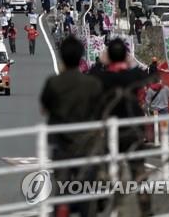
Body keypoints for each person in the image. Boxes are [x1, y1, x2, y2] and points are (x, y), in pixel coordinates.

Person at [41, 37, 103, 217]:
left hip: (61, 142)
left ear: (61, 57)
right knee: (86, 187)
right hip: (87, 143)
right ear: (80, 57)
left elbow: (44, 109)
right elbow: (100, 111)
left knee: (62, 186)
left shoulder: (53, 82)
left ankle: (61, 210)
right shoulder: (92, 84)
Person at [91, 39, 151, 215]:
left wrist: (100, 62)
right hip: (134, 130)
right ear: (125, 56)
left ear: (108, 57)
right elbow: (144, 74)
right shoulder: (134, 76)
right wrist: (130, 61)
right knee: (138, 171)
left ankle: (101, 201)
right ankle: (146, 209)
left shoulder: (102, 77)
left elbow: (91, 75)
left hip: (110, 131)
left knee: (104, 168)